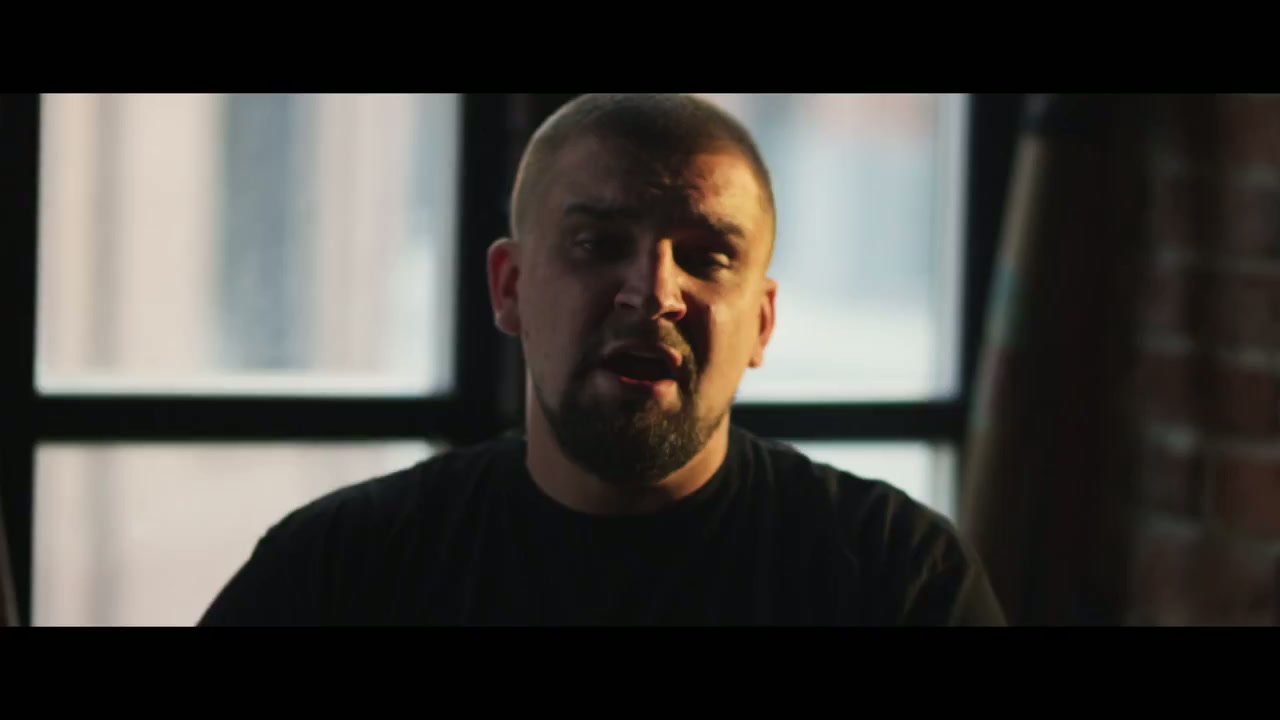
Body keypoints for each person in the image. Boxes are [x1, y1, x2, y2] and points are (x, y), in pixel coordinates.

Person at [198, 93, 1007, 626]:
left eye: (706, 257)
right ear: (510, 288)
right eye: (598, 244)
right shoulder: (341, 572)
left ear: (762, 323)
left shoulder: (895, 577)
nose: (652, 293)